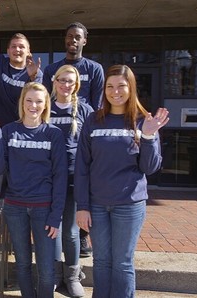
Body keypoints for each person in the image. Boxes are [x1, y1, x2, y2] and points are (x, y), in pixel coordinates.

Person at [74, 64, 169, 298]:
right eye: (110, 86)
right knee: (102, 261)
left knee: (123, 262)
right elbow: (82, 166)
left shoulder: (143, 121)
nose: (115, 91)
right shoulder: (94, 121)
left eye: (121, 86)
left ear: (131, 88)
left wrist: (147, 136)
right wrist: (82, 206)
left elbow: (150, 167)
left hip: (129, 204)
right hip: (96, 204)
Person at [0, 82, 67, 298]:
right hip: (15, 207)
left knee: (46, 271)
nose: (33, 105)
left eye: (38, 101)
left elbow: (60, 176)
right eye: (29, 100)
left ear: (46, 104)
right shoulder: (9, 131)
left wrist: (56, 215)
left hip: (44, 209)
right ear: (22, 103)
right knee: (23, 264)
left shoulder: (53, 134)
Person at [0, 3, 42, 231]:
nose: (17, 50)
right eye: (14, 46)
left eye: (21, 47)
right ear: (9, 50)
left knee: (18, 176)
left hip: (21, 134)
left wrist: (34, 79)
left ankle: (16, 216)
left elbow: (37, 103)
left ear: (28, 51)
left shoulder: (33, 73)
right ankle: (0, 214)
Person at [43, 21, 105, 257]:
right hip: (51, 161)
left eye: (77, 37)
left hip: (79, 140)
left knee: (75, 207)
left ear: (84, 40)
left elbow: (98, 106)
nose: (73, 40)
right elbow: (43, 100)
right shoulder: (52, 70)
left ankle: (80, 240)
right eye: (69, 36)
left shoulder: (94, 69)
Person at [49, 65, 93, 296]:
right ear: (54, 82)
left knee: (72, 232)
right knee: (52, 230)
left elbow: (92, 147)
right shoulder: (44, 107)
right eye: (61, 80)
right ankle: (55, 276)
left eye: (70, 81)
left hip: (75, 179)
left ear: (76, 85)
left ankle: (72, 277)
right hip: (48, 180)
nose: (66, 85)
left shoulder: (85, 111)